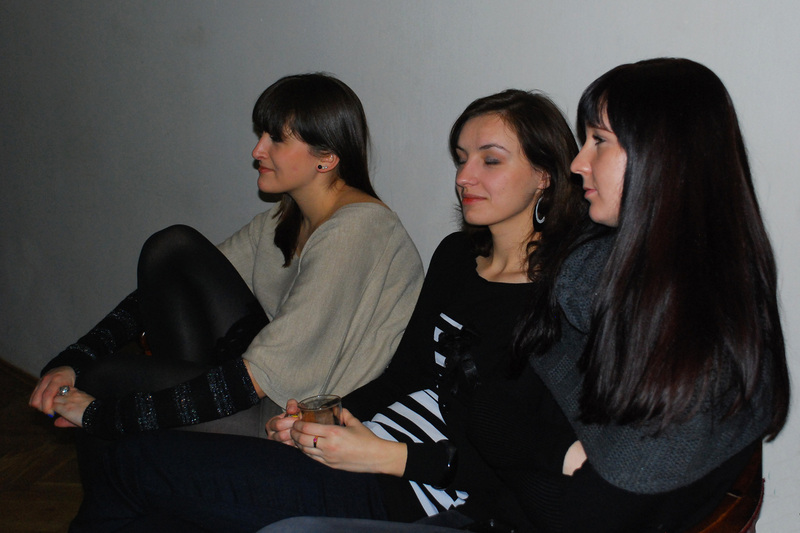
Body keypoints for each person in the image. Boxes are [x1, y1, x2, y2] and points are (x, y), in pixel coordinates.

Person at [257, 58, 791, 533]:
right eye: (461, 158)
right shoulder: (599, 284)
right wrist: (339, 418)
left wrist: (410, 452)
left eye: (599, 141)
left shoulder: (655, 318)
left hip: (458, 495)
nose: (579, 163)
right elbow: (469, 407)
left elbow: (575, 498)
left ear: (663, 158)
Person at [61, 89, 591, 532]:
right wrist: (333, 416)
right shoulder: (456, 256)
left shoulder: (562, 297)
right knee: (144, 478)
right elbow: (405, 374)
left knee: (135, 463)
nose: (464, 176)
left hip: (407, 488)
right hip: (359, 445)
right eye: (460, 158)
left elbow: (519, 459)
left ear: (544, 174)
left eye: (490, 160)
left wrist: (381, 456)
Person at [29, 73, 424, 440]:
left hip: (297, 417)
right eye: (261, 134)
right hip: (259, 384)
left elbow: (256, 379)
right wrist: (74, 360)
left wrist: (102, 414)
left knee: (105, 382)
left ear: (327, 157)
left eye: (276, 139)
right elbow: (163, 291)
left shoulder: (357, 230)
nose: (257, 150)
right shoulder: (284, 218)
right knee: (171, 249)